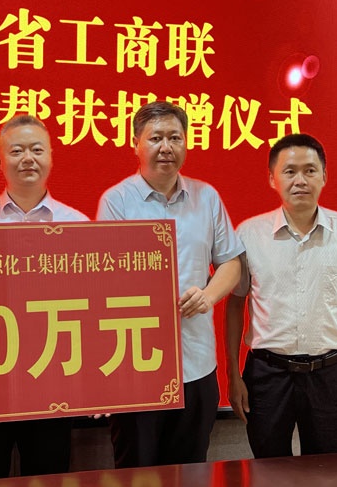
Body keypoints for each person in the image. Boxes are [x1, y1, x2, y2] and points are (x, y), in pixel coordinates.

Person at [97, 101, 243, 467]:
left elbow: (231, 262)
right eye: (156, 138)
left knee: (190, 475)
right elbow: (104, 278)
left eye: (175, 137)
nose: (166, 147)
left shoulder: (206, 197)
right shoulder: (117, 201)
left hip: (196, 362)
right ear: (136, 143)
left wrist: (208, 295)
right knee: (137, 477)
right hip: (136, 365)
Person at [224, 133, 337, 458]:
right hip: (267, 376)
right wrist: (233, 376)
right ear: (273, 179)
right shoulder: (248, 234)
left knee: (328, 473)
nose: (300, 180)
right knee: (268, 472)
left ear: (324, 176)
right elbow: (234, 305)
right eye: (290, 171)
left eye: (310, 170)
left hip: (329, 374)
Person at [0, 115, 89, 480]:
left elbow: (89, 308)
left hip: (52, 382)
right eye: (16, 151)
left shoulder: (78, 225)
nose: (28, 158)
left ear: (51, 157)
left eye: (37, 150)